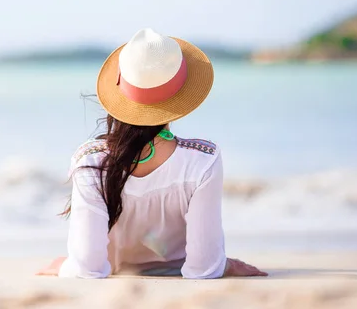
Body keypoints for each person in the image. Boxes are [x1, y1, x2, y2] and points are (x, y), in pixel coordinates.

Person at [37, 28, 267, 279]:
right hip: (176, 270)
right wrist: (225, 266)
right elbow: (204, 268)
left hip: (117, 271)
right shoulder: (203, 159)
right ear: (182, 95)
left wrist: (66, 265)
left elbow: (87, 267)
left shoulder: (90, 160)